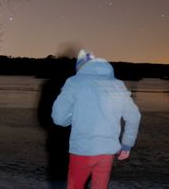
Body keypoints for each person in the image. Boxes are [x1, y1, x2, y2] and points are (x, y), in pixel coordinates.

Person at [52, 49, 141, 189]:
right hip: (107, 151)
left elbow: (58, 118)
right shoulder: (118, 85)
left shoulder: (74, 82)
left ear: (80, 67)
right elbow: (134, 116)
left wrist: (72, 118)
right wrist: (126, 145)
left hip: (82, 149)